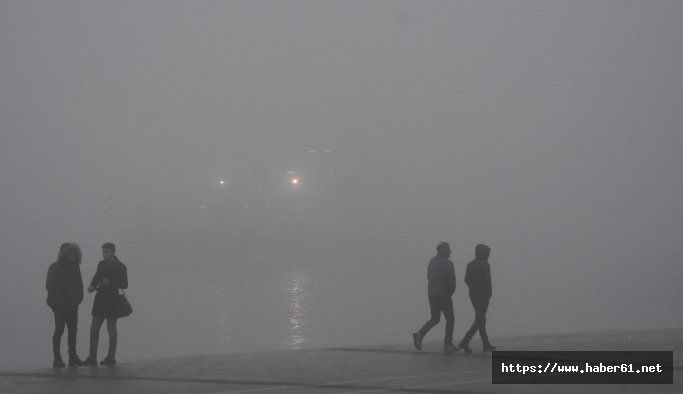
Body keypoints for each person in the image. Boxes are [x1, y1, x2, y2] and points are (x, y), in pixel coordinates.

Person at [83, 242, 128, 366]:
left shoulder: (121, 266)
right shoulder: (101, 264)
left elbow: (125, 284)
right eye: (103, 252)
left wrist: (110, 282)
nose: (104, 254)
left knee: (111, 329)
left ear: (113, 252)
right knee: (94, 329)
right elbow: (96, 276)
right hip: (100, 299)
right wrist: (92, 286)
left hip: (113, 300)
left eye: (106, 252)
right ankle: (92, 357)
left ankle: (111, 357)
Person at [412, 242, 459, 353]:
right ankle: (447, 344)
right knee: (450, 319)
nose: (450, 252)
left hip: (432, 295)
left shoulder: (432, 261)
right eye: (448, 250)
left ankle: (420, 334)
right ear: (442, 251)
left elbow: (429, 276)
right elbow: (452, 281)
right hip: (444, 295)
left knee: (435, 318)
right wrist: (450, 292)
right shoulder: (448, 263)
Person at [46, 243, 85, 367]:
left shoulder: (75, 267)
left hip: (73, 305)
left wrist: (79, 298)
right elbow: (50, 286)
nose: (72, 255)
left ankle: (72, 356)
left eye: (74, 253)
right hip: (60, 305)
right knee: (59, 330)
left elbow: (80, 284)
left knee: (73, 330)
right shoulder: (55, 267)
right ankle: (57, 358)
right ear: (64, 254)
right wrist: (60, 301)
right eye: (69, 253)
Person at [459, 243, 496, 353]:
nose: (488, 255)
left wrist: (473, 287)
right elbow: (487, 281)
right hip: (483, 295)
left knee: (481, 319)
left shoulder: (470, 264)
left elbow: (466, 279)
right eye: (487, 253)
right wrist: (488, 292)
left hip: (473, 295)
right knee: (480, 319)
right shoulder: (485, 265)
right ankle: (465, 341)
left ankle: (485, 343)